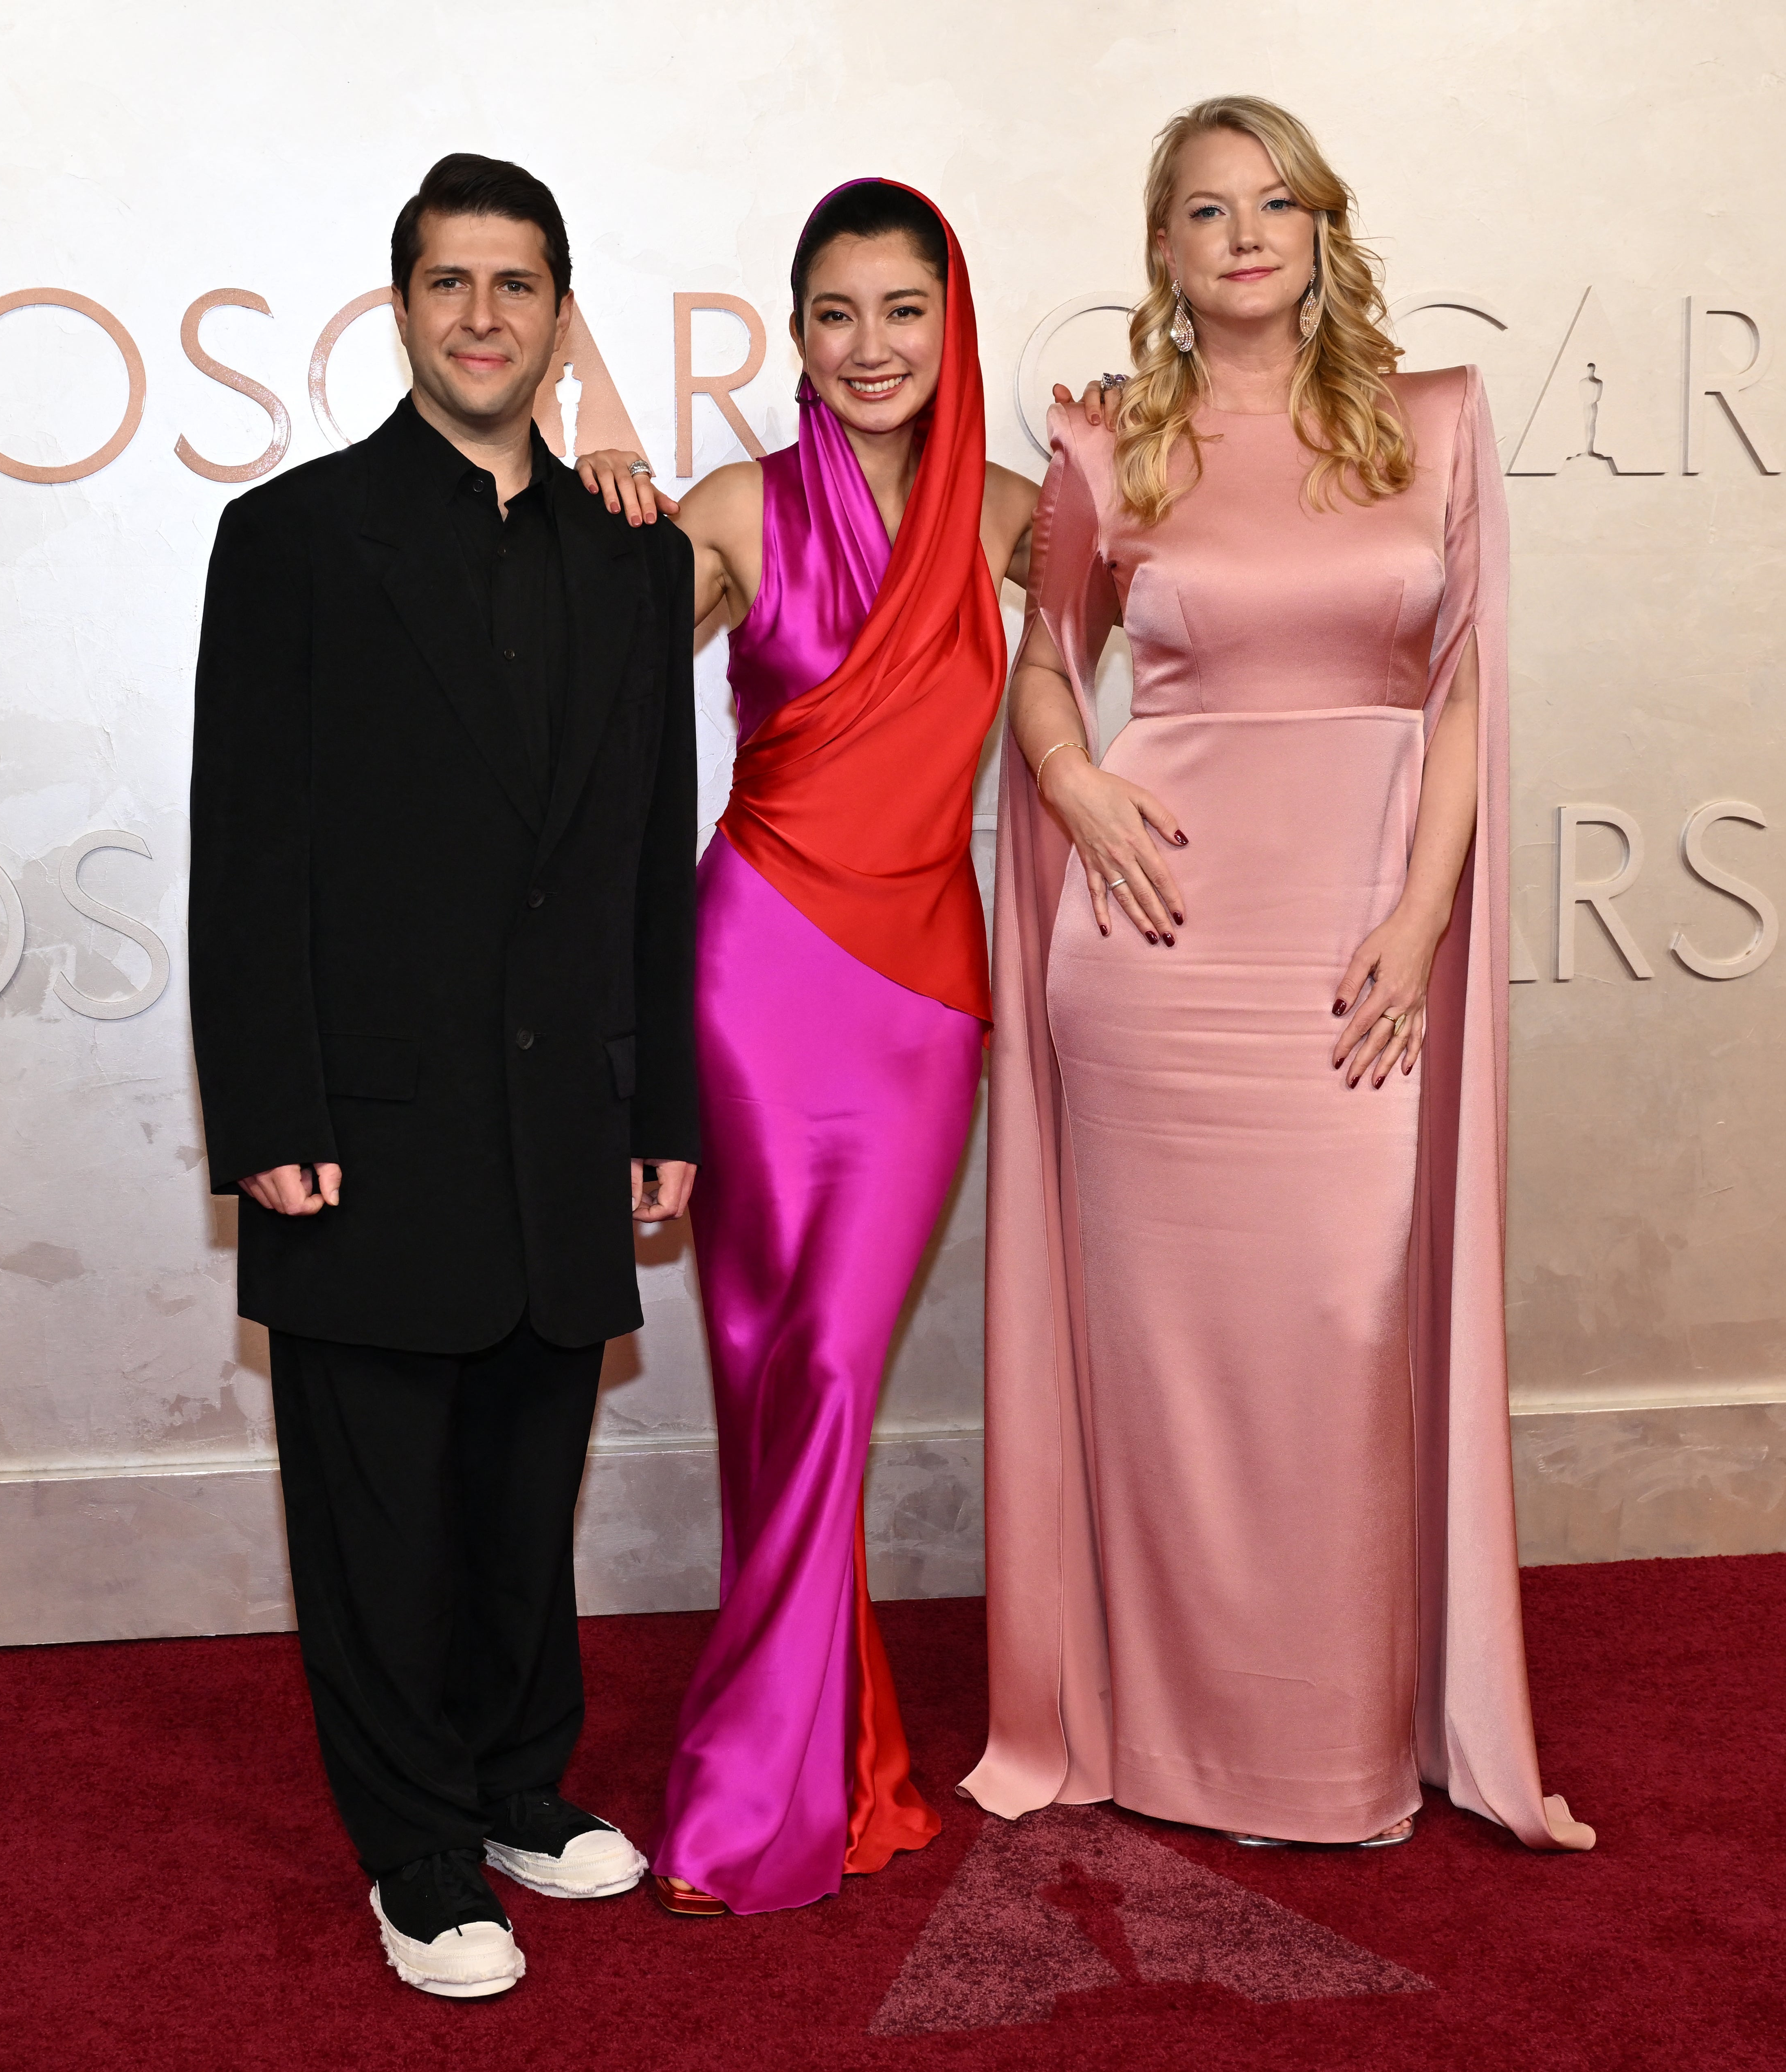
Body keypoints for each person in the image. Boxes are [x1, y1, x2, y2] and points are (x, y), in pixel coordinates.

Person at [963, 98, 1595, 1856]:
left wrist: (1423, 908)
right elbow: (1047, 669)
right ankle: (1180, 1748)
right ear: (1159, 253)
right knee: (1172, 1364)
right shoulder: (1109, 449)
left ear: (1324, 228)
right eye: (1203, 211)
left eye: (1277, 202)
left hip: (1358, 946)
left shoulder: (1440, 423)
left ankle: (1330, 1752)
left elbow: (1464, 689)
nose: (1245, 234)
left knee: (1341, 1334)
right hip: (1162, 959)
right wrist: (1081, 784)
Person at [187, 151, 699, 2001]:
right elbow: (245, 860)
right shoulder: (301, 539)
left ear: (562, 318)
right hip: (369, 1136)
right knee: (380, 1517)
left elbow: (653, 856)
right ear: (400, 308)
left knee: (518, 1491)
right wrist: (269, 1122)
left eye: (518, 284)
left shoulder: (633, 563)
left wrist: (665, 1120)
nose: (484, 315)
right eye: (449, 283)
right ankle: (413, 1852)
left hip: (565, 1128)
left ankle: (510, 1786)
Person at [645, 179, 1037, 1917]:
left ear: (954, 327)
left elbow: (1212, 621)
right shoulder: (736, 503)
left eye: (904, 311)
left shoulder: (1024, 514)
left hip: (918, 1004)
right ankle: (832, 1756)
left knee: (829, 1370)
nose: (869, 347)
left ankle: (756, 1786)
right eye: (835, 314)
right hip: (751, 973)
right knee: (758, 1367)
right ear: (794, 331)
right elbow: (572, 689)